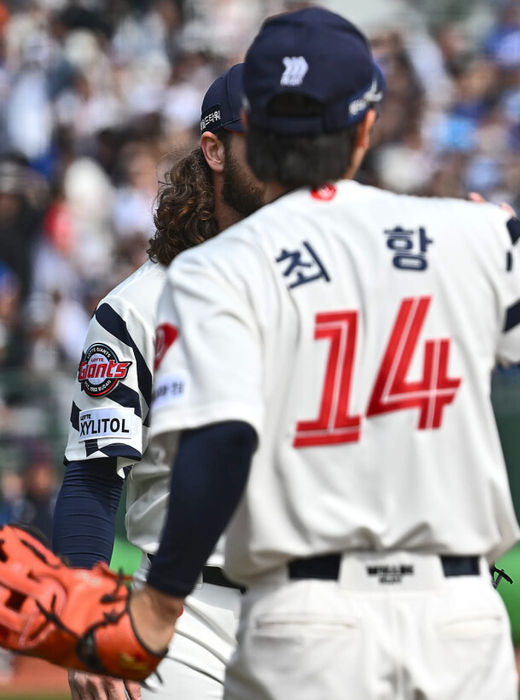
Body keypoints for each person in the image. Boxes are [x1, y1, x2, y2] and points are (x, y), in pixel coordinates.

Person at [122, 7, 520, 700]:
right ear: (365, 129)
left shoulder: (214, 271)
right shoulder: (468, 234)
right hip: (457, 619)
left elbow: (219, 443)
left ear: (257, 134)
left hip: (303, 622)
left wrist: (158, 603)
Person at [50, 63, 265, 700]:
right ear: (215, 149)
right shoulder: (139, 309)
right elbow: (92, 477)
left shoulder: (346, 287)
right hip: (192, 618)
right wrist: (83, 623)